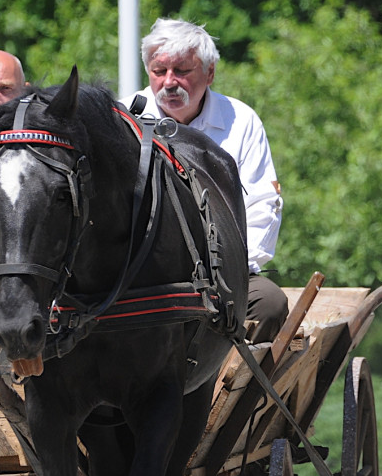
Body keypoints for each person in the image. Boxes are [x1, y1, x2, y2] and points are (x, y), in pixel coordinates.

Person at [123, 18, 288, 342]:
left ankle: (235, 388)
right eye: (159, 71)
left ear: (210, 72)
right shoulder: (124, 117)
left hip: (223, 273)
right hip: (141, 277)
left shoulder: (240, 120)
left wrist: (232, 270)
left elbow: (263, 203)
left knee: (269, 304)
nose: (170, 82)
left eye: (182, 70)